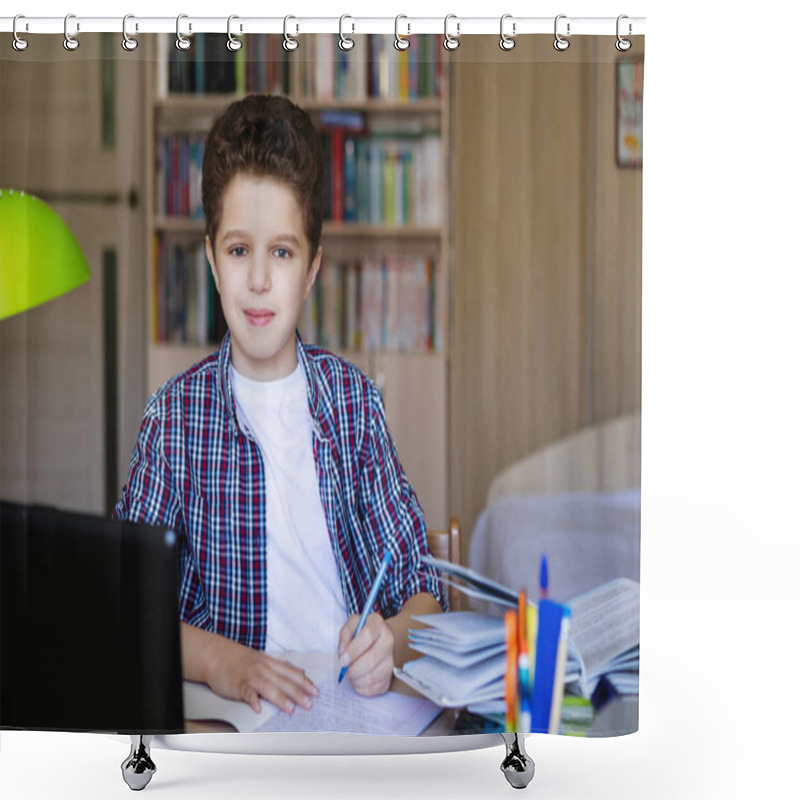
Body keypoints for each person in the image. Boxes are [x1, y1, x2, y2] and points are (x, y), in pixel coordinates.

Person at [114, 94, 447, 719]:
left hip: (354, 718)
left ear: (312, 268)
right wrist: (224, 662)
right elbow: (132, 603)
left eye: (283, 253)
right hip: (233, 730)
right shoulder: (173, 422)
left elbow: (425, 592)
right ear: (211, 260)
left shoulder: (353, 406)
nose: (261, 280)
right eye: (240, 251)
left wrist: (391, 642)